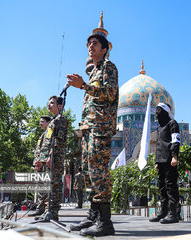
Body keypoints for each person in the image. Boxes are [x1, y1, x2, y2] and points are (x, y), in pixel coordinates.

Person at [67, 33, 118, 237]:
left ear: (104, 49)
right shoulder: (94, 72)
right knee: (89, 174)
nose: (90, 46)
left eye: (95, 43)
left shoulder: (108, 67)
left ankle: (105, 222)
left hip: (100, 128)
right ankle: (93, 216)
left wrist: (84, 86)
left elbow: (110, 93)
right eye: (89, 44)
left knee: (99, 173)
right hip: (89, 130)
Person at [36, 96, 68, 221]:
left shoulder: (61, 120)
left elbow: (58, 141)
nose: (49, 105)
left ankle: (53, 213)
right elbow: (48, 142)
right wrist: (42, 159)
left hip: (56, 158)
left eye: (52, 103)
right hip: (49, 159)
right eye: (48, 102)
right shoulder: (54, 121)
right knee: (49, 185)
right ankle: (47, 212)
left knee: (54, 186)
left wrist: (51, 156)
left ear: (60, 106)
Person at [149, 103, 181, 224]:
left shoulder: (172, 124)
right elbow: (159, 145)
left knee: (170, 186)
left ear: (165, 111)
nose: (156, 113)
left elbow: (175, 141)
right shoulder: (159, 127)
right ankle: (163, 212)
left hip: (169, 160)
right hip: (161, 161)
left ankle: (173, 214)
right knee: (162, 187)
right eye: (156, 110)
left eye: (159, 110)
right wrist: (157, 161)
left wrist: (174, 156)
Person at [28, 115, 51, 217]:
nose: (40, 123)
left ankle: (43, 209)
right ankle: (40, 208)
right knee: (41, 187)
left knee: (45, 188)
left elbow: (47, 148)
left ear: (48, 122)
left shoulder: (49, 132)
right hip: (39, 164)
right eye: (40, 121)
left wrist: (41, 162)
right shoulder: (43, 134)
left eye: (43, 121)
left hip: (44, 164)